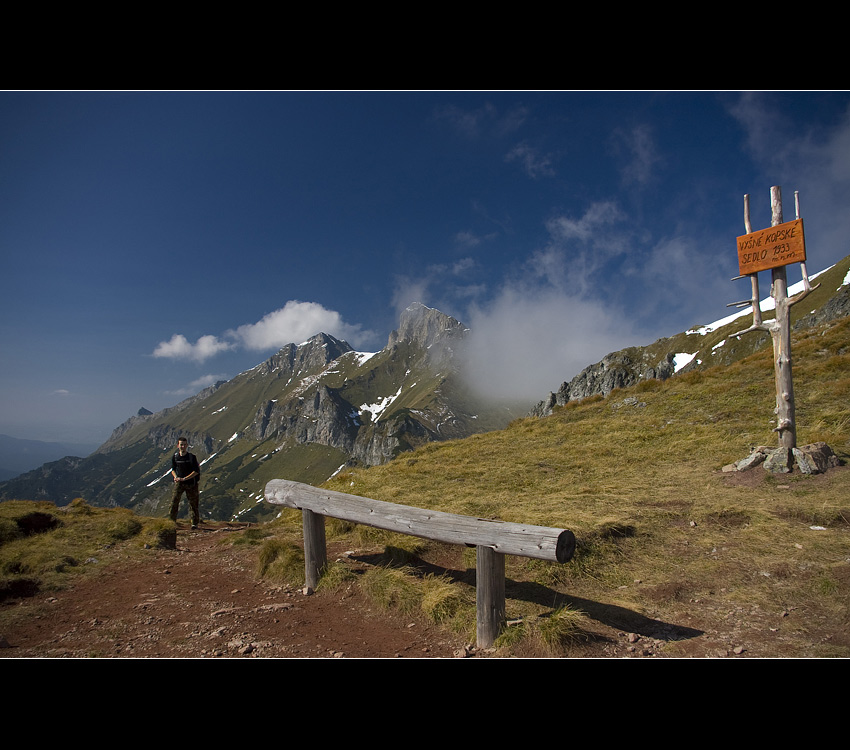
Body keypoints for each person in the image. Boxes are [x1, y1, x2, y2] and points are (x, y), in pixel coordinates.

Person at [170, 437, 201, 528]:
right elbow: (173, 469)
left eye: (184, 445)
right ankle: (171, 522)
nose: (182, 446)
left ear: (187, 446)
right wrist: (175, 477)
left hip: (191, 484)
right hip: (179, 483)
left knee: (193, 503)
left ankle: (194, 523)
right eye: (181, 445)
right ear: (178, 446)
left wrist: (185, 478)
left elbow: (196, 471)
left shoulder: (191, 457)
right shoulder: (175, 457)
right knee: (174, 502)